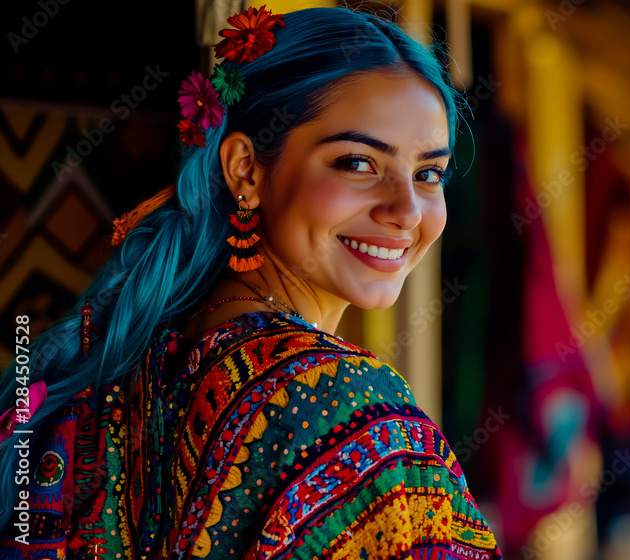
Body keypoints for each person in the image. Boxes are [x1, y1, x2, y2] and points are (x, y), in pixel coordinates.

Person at [0, 5, 502, 559]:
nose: (406, 210)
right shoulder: (340, 400)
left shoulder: (132, 358)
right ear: (246, 168)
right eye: (358, 163)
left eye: (429, 173)